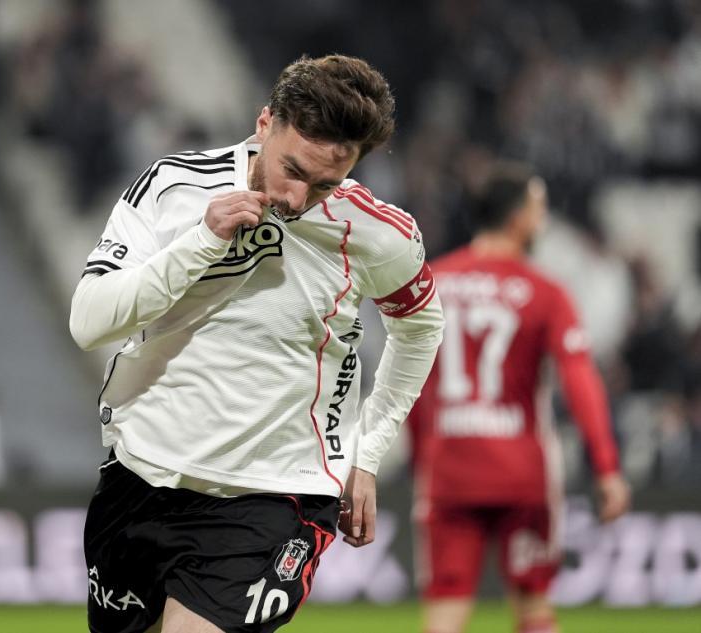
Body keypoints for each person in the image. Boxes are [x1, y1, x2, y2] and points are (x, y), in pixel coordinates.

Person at [70, 54, 444, 633]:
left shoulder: (377, 233)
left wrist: (367, 451)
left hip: (276, 493)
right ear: (265, 123)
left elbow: (420, 327)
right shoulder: (175, 187)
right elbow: (90, 321)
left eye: (325, 184)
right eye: (292, 169)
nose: (297, 198)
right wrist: (203, 240)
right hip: (141, 473)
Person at [406, 162, 631, 633]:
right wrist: (607, 467)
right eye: (538, 209)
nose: (542, 220)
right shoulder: (544, 292)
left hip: (449, 470)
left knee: (444, 613)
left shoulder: (434, 283)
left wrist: (421, 456)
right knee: (534, 608)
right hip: (521, 472)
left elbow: (407, 379)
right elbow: (580, 381)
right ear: (517, 218)